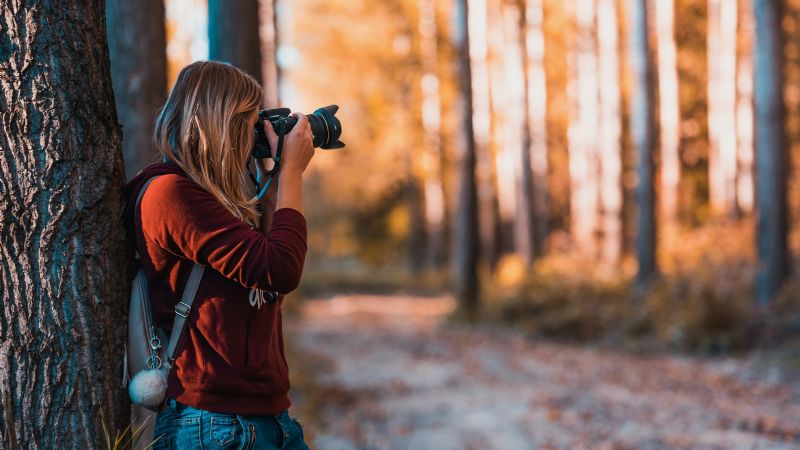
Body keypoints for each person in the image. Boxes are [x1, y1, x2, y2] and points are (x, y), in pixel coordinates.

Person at [123, 60, 314, 449]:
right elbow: (280, 269)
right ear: (220, 122)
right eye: (249, 119)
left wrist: (275, 174)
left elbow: (271, 253)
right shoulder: (170, 195)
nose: (254, 132)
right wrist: (291, 173)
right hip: (214, 425)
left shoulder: (219, 200)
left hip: (268, 418)